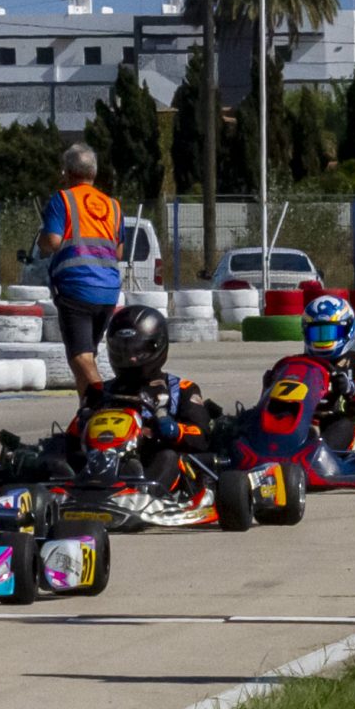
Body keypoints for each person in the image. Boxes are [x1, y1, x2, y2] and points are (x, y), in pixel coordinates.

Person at [71, 305, 216, 486]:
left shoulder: (181, 389)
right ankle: (59, 493)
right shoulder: (99, 391)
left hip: (150, 461)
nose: (131, 359)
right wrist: (82, 425)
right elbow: (72, 436)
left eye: (139, 351)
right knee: (54, 459)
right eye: (123, 351)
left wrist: (174, 430)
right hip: (100, 459)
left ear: (157, 346)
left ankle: (146, 496)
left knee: (167, 456)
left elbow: (203, 436)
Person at [36, 143, 124, 400]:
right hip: (108, 291)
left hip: (76, 288)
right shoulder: (113, 206)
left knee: (80, 358)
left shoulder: (62, 200)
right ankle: (88, 411)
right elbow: (118, 252)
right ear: (93, 173)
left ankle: (105, 404)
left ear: (67, 172)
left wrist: (42, 242)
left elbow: (52, 241)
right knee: (88, 356)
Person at [292, 293, 355, 449]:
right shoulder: (299, 364)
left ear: (347, 329)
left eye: (329, 333)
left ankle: (316, 453)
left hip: (345, 430)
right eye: (317, 334)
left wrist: (351, 389)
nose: (323, 339)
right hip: (302, 425)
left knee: (340, 425)